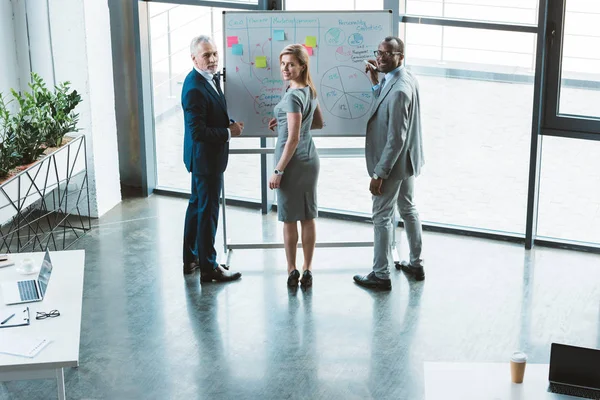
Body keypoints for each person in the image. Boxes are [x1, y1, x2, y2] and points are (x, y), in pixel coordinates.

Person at [353, 36, 425, 290]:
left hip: (393, 164)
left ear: (400, 57)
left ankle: (381, 274)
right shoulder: (403, 79)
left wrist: (379, 173)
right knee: (408, 208)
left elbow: (396, 138)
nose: (380, 58)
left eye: (387, 54)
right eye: (379, 52)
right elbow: (387, 108)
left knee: (382, 216)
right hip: (407, 161)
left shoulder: (399, 90)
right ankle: (416, 263)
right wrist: (375, 83)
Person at [182, 35, 244, 282]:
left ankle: (191, 258)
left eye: (215, 53)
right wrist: (230, 132)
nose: (213, 59)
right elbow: (198, 132)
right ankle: (209, 267)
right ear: (194, 58)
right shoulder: (195, 87)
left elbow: (209, 116)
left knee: (197, 207)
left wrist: (225, 123)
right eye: (206, 55)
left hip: (203, 160)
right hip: (205, 160)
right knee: (208, 212)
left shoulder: (207, 78)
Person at [268, 44, 324, 288]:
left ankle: (292, 270)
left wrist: (278, 170)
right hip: (309, 160)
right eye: (283, 64)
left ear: (302, 66)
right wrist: (283, 120)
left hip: (290, 163)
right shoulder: (309, 91)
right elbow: (318, 123)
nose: (285, 68)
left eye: (291, 64)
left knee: (290, 219)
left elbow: (292, 138)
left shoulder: (292, 96)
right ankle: (308, 269)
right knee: (308, 216)